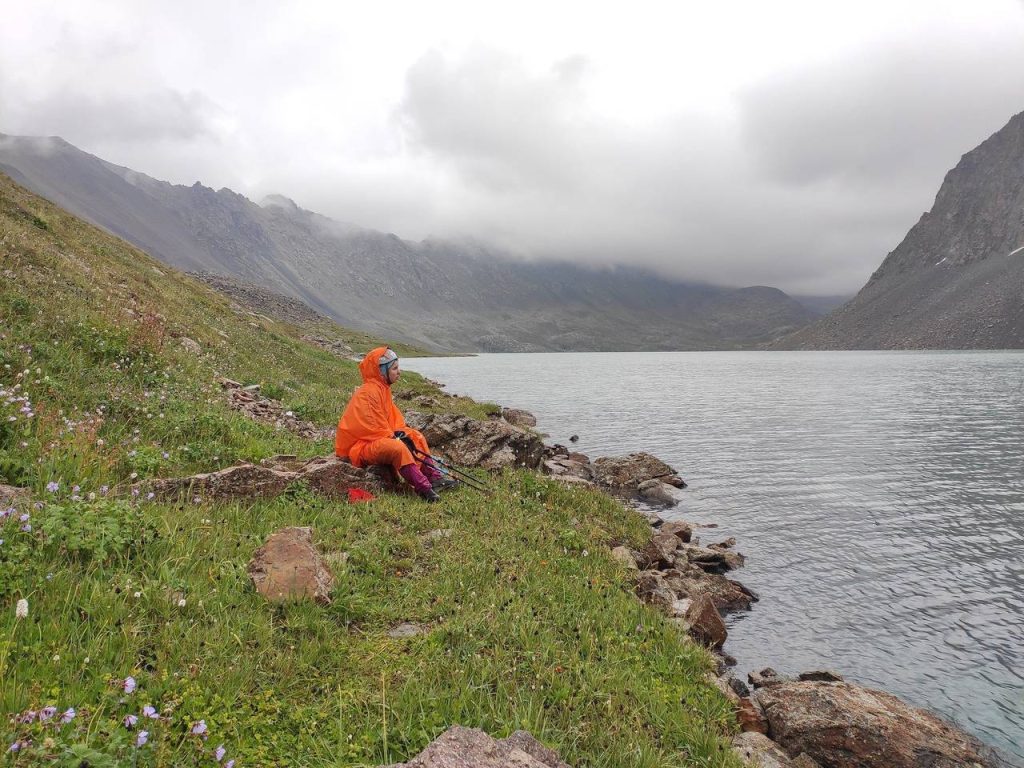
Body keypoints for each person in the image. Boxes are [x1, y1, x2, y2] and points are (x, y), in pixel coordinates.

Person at [334, 346, 451, 502]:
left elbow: (391, 422)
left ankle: (434, 477)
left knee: (416, 436)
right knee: (398, 448)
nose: (399, 372)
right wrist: (395, 437)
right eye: (394, 368)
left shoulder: (383, 389)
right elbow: (372, 426)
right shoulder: (368, 392)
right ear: (382, 371)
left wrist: (400, 434)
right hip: (361, 446)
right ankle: (425, 490)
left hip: (378, 439)